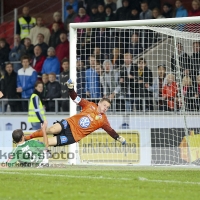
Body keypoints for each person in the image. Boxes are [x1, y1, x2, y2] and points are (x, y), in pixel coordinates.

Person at [24, 79, 126, 147]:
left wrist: (118, 137)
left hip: (72, 137)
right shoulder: (89, 104)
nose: (105, 108)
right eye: (104, 105)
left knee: (48, 142)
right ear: (99, 103)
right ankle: (27, 137)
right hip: (69, 124)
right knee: (51, 129)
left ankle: (27, 147)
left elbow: (110, 130)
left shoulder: (103, 120)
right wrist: (71, 89)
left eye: (107, 107)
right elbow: (75, 98)